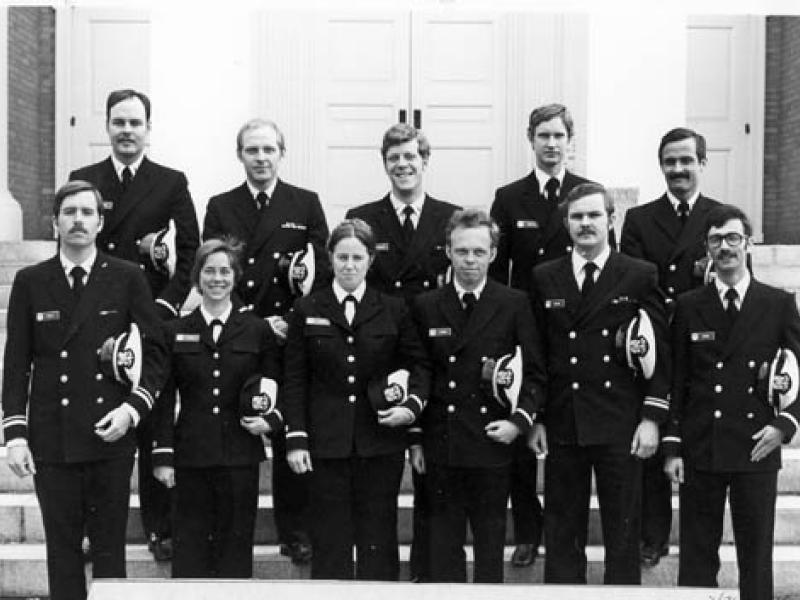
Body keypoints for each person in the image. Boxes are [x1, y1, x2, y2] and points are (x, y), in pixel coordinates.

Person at [1, 180, 167, 600]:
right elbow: (17, 364)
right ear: (55, 221)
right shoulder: (31, 281)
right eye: (70, 212)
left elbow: (156, 353)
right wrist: (15, 435)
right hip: (52, 439)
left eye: (87, 212)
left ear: (100, 222)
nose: (78, 220)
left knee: (111, 552)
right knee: (62, 551)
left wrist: (132, 410)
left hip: (110, 435)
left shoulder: (127, 277)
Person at [69, 88, 200, 561]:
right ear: (107, 126)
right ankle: (90, 529)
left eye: (135, 123)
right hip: (97, 319)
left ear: (149, 128)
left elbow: (189, 251)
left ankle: (159, 527)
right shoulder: (84, 180)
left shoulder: (170, 182)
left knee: (150, 421)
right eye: (119, 122)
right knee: (94, 424)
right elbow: (72, 246)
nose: (127, 131)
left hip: (150, 317)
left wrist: (166, 307)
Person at [488, 103, 610, 568]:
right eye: (543, 135)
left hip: (574, 331)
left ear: (570, 140)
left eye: (559, 135)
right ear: (531, 140)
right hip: (524, 327)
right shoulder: (510, 196)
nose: (552, 143)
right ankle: (527, 530)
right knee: (522, 432)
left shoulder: (587, 195)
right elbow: (500, 272)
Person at [203, 118, 331, 564]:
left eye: (269, 150)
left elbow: (321, 274)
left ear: (282, 153)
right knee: (236, 429)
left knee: (287, 429)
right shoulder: (221, 206)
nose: (261, 158)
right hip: (242, 335)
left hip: (289, 336)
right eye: (252, 150)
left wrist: (292, 320)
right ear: (240, 155)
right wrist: (252, 323)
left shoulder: (306, 203)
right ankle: (227, 529)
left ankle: (295, 530)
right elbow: (217, 273)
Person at [529, 182, 669, 585]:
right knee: (561, 529)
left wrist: (652, 418)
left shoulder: (639, 274)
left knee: (623, 531)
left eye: (594, 215)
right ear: (566, 224)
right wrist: (535, 416)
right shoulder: (545, 276)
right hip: (564, 420)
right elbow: (538, 354)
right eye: (577, 216)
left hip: (620, 421)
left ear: (611, 220)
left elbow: (658, 350)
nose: (585, 223)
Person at [663, 204, 800, 600]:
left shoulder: (777, 303)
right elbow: (678, 380)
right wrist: (673, 446)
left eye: (734, 238)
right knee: (696, 555)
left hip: (756, 447)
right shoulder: (689, 306)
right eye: (716, 240)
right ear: (706, 248)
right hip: (702, 446)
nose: (726, 247)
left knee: (755, 556)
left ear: (749, 243)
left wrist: (785, 425)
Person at [281, 218, 431, 580]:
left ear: (370, 261)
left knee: (378, 538)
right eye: (342, 257)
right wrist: (296, 437)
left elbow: (419, 366)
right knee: (330, 539)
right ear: (330, 258)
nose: (349, 265)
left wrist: (410, 408)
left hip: (379, 441)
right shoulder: (307, 308)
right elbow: (295, 377)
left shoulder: (393, 309)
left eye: (357, 258)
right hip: (325, 443)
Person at [345, 123, 460, 582]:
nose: (403, 165)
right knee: (381, 475)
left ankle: (425, 573)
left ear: (425, 161)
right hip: (382, 351)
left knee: (432, 467)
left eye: (411, 157)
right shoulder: (363, 216)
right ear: (385, 164)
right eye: (394, 158)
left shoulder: (449, 216)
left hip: (436, 347)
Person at [411, 209, 546, 583]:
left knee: (490, 546)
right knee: (443, 548)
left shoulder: (514, 303)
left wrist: (518, 423)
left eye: (478, 252)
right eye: (462, 251)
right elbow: (421, 374)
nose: (470, 260)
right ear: (448, 253)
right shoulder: (426, 305)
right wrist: (416, 439)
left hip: (492, 442)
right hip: (443, 443)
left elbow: (535, 372)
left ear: (493, 254)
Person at [152, 238, 283, 578]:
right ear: (197, 277)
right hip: (190, 454)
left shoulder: (257, 330)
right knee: (190, 549)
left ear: (235, 277)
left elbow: (275, 383)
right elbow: (164, 399)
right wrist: (163, 455)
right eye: (209, 271)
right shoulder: (175, 331)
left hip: (240, 455)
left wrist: (271, 418)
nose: (217, 278)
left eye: (225, 271)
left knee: (235, 551)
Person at [620, 127, 721, 568]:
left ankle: (697, 540)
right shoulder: (640, 219)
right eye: (670, 162)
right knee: (652, 434)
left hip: (704, 344)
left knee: (698, 437)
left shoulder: (722, 217)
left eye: (686, 160)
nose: (678, 169)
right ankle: (653, 534)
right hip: (657, 341)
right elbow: (634, 281)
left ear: (702, 162)